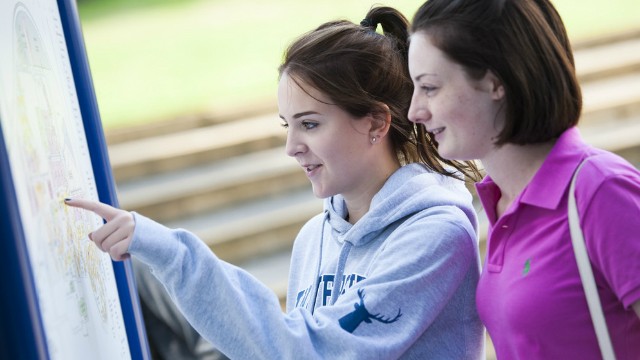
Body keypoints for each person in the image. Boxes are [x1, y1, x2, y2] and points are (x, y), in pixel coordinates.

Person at [66, 6, 486, 359]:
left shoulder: (436, 236)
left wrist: (173, 255)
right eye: (288, 125)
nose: (292, 147)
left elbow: (308, 351)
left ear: (376, 122)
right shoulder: (313, 237)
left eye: (309, 124)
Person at [407, 0, 640, 358]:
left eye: (430, 87)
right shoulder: (500, 202)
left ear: (495, 82)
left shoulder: (600, 189)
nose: (415, 111)